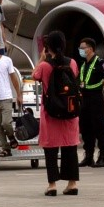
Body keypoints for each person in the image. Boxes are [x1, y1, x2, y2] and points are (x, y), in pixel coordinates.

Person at [31, 30, 79, 196]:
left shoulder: (45, 66)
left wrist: (42, 59)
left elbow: (34, 76)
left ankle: (52, 185)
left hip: (51, 112)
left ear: (47, 47)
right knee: (70, 148)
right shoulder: (72, 63)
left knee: (51, 150)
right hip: (70, 111)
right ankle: (72, 184)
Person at [77, 38, 104, 168]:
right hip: (85, 100)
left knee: (99, 129)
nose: (81, 50)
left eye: (83, 48)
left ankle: (103, 157)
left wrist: (101, 85)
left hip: (96, 99)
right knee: (86, 129)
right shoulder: (84, 64)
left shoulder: (100, 62)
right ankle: (88, 156)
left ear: (90, 49)